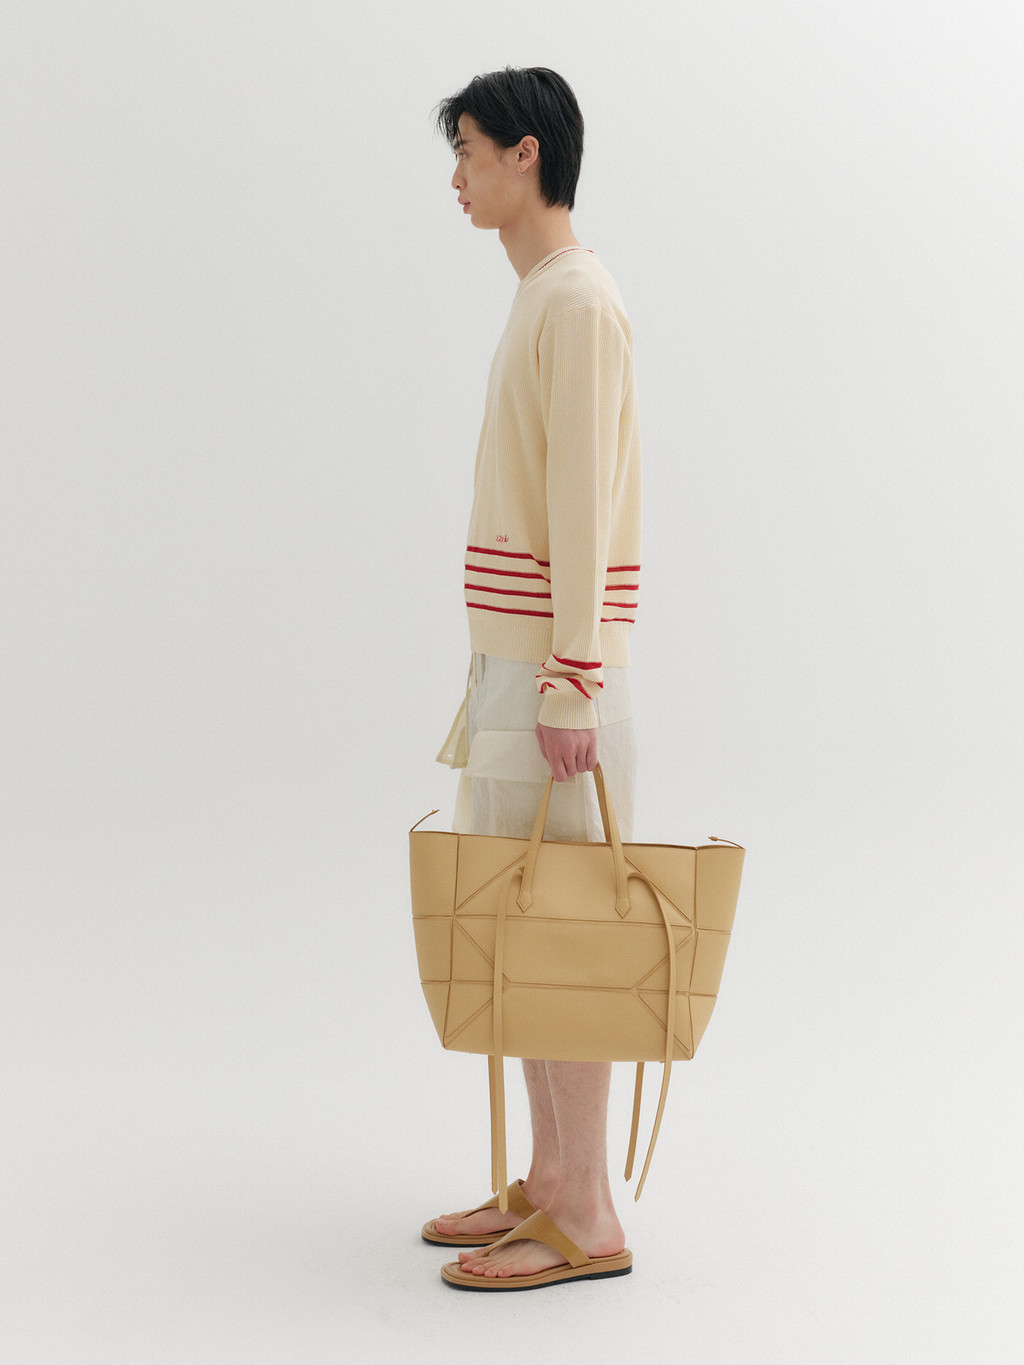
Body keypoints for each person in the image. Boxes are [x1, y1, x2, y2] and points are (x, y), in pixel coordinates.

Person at [422, 67, 643, 1290]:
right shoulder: (544, 296)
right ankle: (552, 1182)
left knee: (564, 931)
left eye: (466, 151)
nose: (455, 178)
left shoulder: (577, 301)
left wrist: (570, 682)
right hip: (517, 665)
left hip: (554, 678)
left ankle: (590, 1215)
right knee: (524, 922)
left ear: (525, 154)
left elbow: (586, 505)